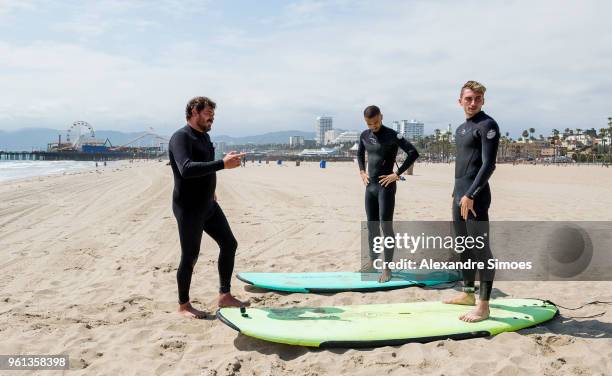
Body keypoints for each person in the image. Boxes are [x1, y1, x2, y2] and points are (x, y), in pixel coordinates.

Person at [169, 96, 248, 319]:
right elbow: (186, 169)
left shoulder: (205, 138)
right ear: (194, 111)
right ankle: (183, 306)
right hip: (188, 208)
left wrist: (211, 189)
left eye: (213, 114)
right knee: (190, 256)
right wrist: (223, 164)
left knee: (229, 244)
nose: (211, 118)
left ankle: (225, 295)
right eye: (207, 114)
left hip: (208, 204)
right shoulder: (180, 137)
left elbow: (205, 169)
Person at [444, 81, 500, 322]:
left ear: (483, 101)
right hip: (459, 195)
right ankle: (468, 294)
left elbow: (488, 164)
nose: (473, 102)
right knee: (463, 246)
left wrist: (470, 194)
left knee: (480, 249)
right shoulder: (460, 129)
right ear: (460, 101)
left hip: (475, 198)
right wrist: (456, 192)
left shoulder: (488, 125)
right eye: (468, 98)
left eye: (477, 98)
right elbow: (463, 166)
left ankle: (484, 306)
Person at [357, 105, 419, 282]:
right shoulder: (364, 135)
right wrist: (362, 171)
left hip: (386, 186)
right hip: (370, 187)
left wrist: (397, 174)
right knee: (372, 226)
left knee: (386, 226)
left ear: (381, 117)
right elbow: (360, 154)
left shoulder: (392, 135)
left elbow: (413, 153)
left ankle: (387, 268)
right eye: (370, 124)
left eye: (376, 122)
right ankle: (373, 261)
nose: (373, 126)